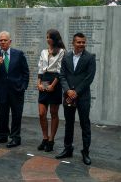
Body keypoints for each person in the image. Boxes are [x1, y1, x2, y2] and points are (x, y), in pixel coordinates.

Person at [55, 33, 96, 165]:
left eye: (83, 42)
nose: (81, 44)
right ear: (73, 43)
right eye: (79, 42)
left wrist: (76, 92)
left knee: (85, 124)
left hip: (82, 97)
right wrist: (68, 91)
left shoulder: (90, 57)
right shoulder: (66, 56)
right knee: (69, 123)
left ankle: (85, 152)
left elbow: (89, 78)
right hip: (68, 97)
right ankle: (68, 149)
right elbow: (62, 75)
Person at [0, 31, 29, 148]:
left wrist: (23, 87)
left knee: (16, 114)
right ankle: (3, 135)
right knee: (3, 114)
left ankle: (16, 138)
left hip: (17, 90)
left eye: (5, 40)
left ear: (10, 41)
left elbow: (25, 72)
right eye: (1, 40)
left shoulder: (19, 54)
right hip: (2, 90)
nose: (3, 42)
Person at [36, 29, 66, 152]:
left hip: (55, 81)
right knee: (41, 113)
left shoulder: (62, 52)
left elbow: (60, 71)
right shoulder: (43, 51)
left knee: (54, 113)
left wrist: (53, 85)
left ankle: (51, 140)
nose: (48, 39)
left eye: (50, 37)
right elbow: (40, 68)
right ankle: (45, 137)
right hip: (43, 80)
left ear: (55, 38)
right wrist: (38, 83)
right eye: (47, 37)